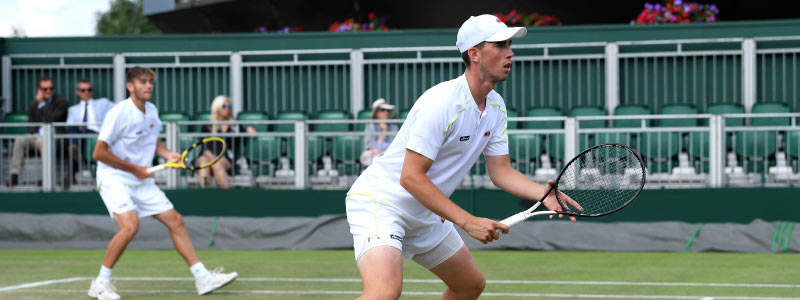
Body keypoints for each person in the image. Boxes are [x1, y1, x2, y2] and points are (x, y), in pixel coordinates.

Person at [344, 14, 577, 300]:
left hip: (425, 212)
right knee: (384, 292)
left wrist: (544, 194)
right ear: (474, 53)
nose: (510, 52)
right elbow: (410, 177)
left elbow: (501, 172)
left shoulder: (496, 106)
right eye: (500, 45)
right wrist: (468, 221)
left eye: (509, 45)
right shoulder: (440, 103)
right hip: (383, 202)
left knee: (469, 285)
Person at [88, 67, 237, 300]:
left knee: (175, 220)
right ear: (130, 86)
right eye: (143, 82)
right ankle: (100, 283)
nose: (148, 86)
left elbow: (154, 142)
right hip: (113, 177)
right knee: (130, 226)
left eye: (150, 82)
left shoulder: (152, 111)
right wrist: (135, 168)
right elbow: (99, 153)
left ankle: (202, 278)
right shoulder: (119, 112)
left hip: (141, 178)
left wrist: (168, 155)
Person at [7, 77, 68, 187]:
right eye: (45, 89)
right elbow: (30, 125)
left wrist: (42, 104)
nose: (48, 91)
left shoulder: (61, 102)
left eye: (51, 88)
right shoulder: (34, 104)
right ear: (39, 90)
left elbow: (52, 120)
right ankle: (14, 176)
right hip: (36, 137)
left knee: (43, 141)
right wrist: (34, 134)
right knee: (20, 139)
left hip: (54, 137)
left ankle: (47, 178)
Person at [197, 95, 255, 188]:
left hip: (225, 158)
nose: (227, 109)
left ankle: (226, 197)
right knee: (203, 163)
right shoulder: (208, 126)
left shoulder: (235, 126)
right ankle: (205, 196)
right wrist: (210, 156)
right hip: (207, 156)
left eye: (229, 107)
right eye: (224, 106)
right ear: (217, 108)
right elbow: (203, 145)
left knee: (218, 164)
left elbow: (243, 135)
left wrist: (249, 130)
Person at [65, 80, 114, 182]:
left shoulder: (103, 103)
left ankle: (72, 171)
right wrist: (77, 124)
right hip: (79, 133)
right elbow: (69, 126)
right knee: (72, 131)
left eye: (89, 90)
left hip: (96, 132)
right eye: (83, 90)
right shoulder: (73, 109)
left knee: (77, 139)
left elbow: (119, 109)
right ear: (78, 92)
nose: (86, 92)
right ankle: (76, 151)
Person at [360, 98, 398, 166]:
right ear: (376, 113)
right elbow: (370, 147)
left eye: (388, 110)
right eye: (382, 110)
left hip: (390, 157)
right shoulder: (370, 126)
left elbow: (394, 147)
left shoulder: (394, 127)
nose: (386, 112)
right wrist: (383, 133)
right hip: (374, 159)